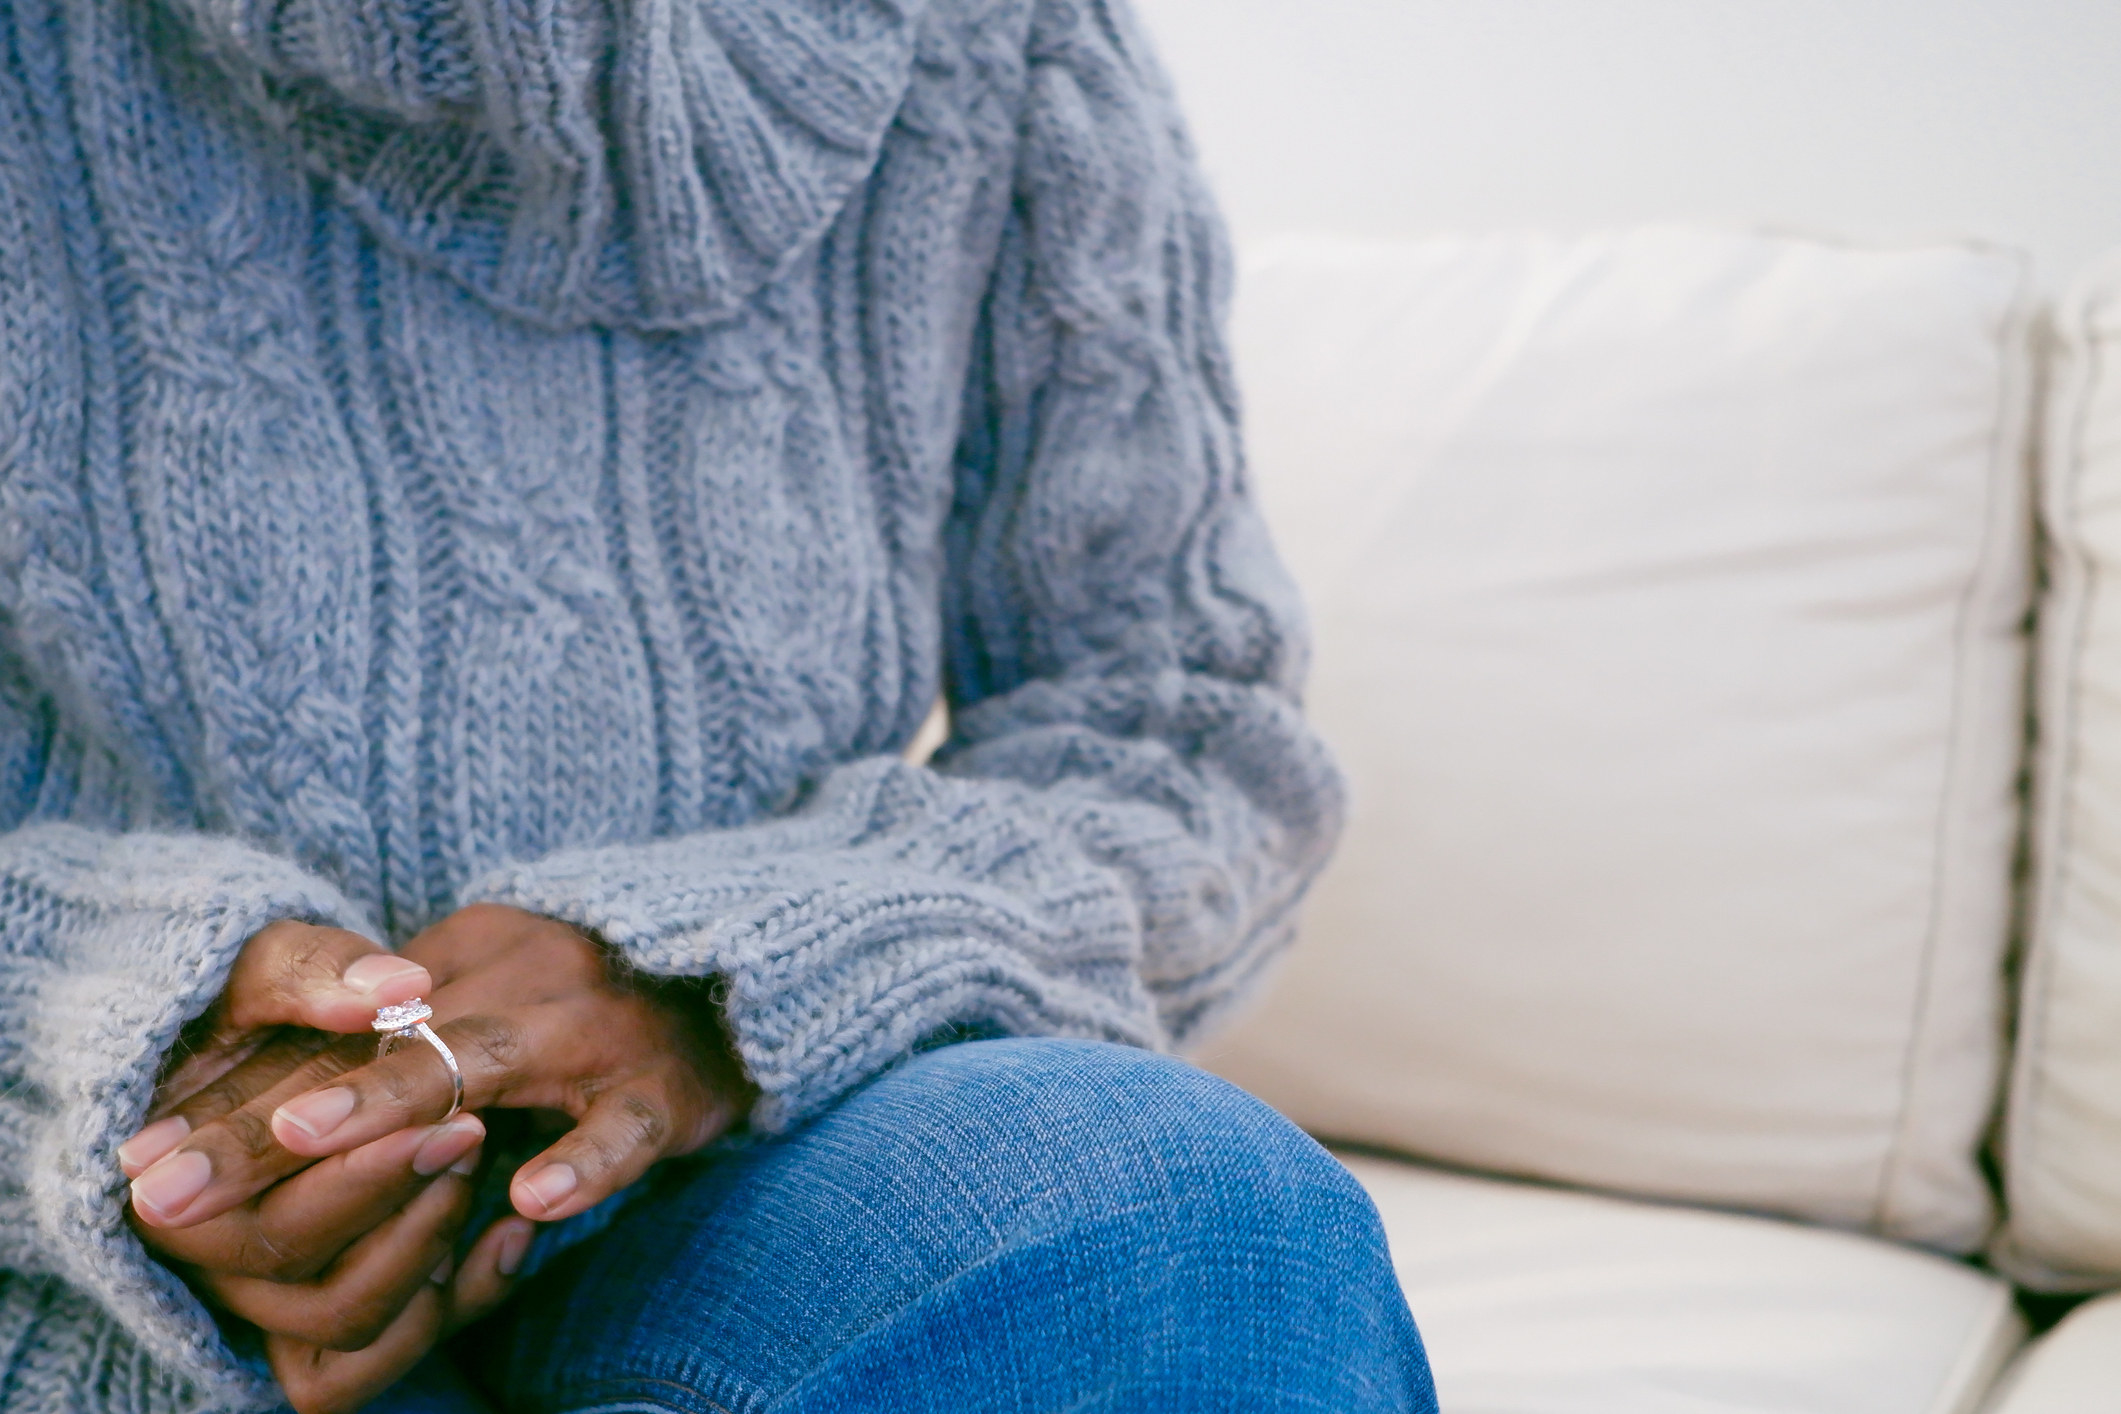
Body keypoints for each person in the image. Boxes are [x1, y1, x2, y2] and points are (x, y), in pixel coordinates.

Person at [0, 0, 1438, 1406]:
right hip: (64, 1243)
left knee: (1187, 1235)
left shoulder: (1004, 37)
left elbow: (1182, 728)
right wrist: (111, 1041)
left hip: (761, 1163)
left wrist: (706, 975)